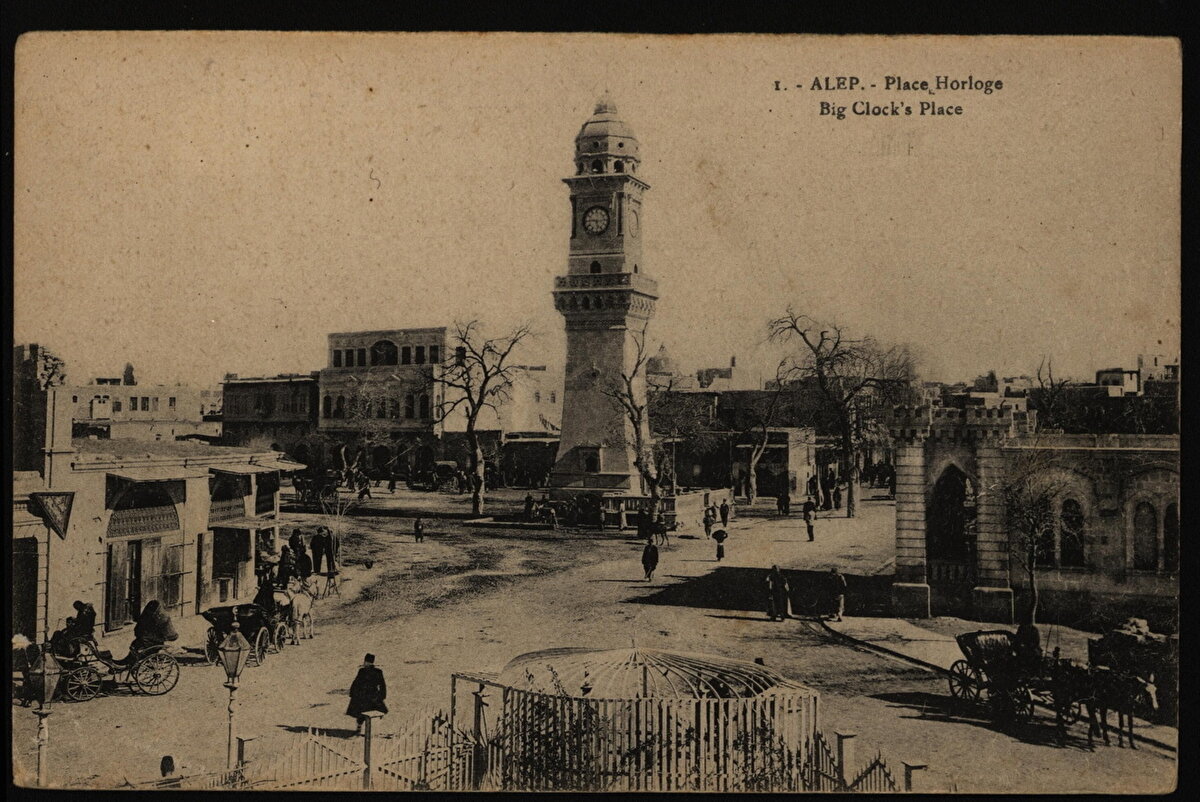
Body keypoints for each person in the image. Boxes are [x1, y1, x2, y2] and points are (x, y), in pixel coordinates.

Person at [346, 654, 388, 735]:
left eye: (365, 662)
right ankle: (362, 728)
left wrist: (352, 693)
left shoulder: (369, 671)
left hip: (367, 696)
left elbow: (382, 684)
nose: (364, 663)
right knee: (365, 713)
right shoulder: (371, 671)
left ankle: (366, 729)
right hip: (368, 696)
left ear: (368, 662)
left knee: (365, 713)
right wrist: (382, 696)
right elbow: (356, 683)